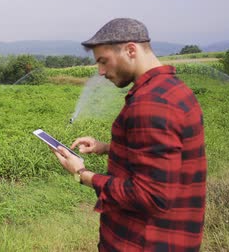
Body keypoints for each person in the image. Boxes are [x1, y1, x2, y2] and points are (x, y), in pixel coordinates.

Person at [51, 18, 207, 251]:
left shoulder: (151, 103)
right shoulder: (172, 89)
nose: (101, 72)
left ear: (131, 50)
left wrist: (81, 173)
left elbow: (150, 196)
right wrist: (106, 147)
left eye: (104, 61)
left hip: (143, 242)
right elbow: (162, 157)